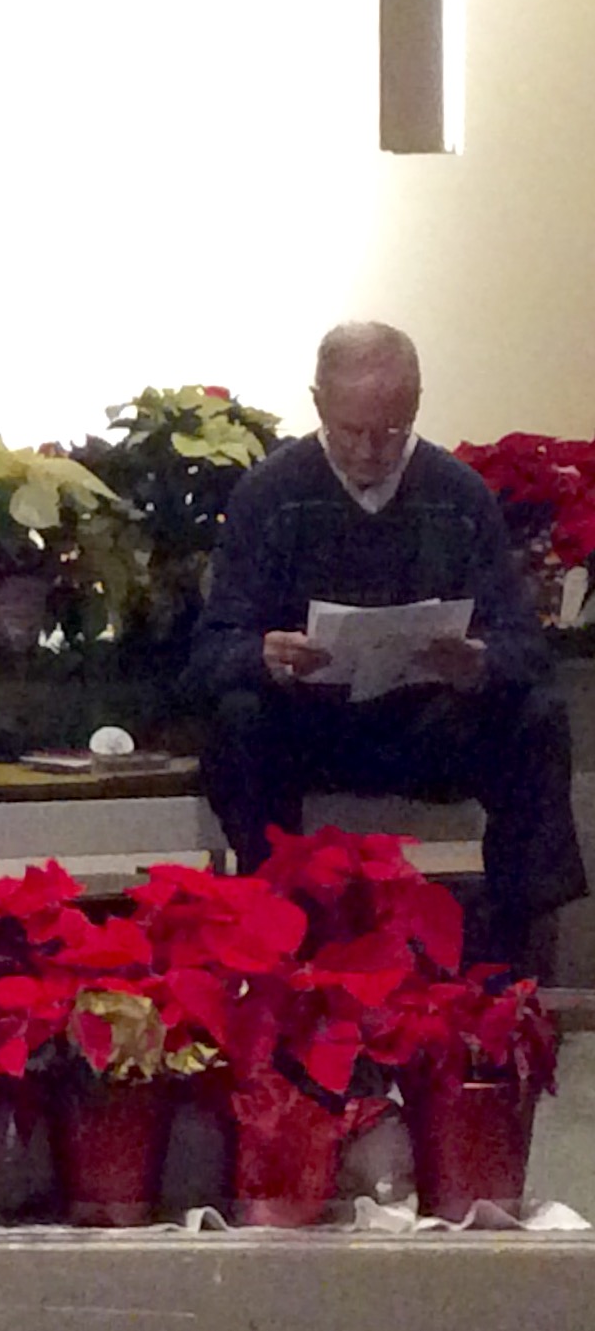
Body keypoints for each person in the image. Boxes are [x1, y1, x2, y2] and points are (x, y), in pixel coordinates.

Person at [189, 321, 586, 972]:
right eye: (352, 431)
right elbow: (209, 652)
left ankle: (517, 948)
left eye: (393, 429)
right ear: (318, 404)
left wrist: (478, 661)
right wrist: (265, 654)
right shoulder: (270, 494)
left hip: (425, 724)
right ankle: (276, 935)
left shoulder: (457, 494)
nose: (372, 450)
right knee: (238, 719)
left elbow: (524, 646)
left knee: (537, 715)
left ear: (418, 403)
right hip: (309, 728)